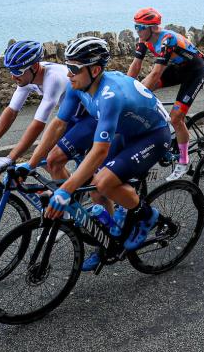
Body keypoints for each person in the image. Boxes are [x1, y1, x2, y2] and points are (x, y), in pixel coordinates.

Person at [18, 36, 172, 271]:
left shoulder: (110, 96)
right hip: (126, 132)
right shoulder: (77, 86)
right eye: (67, 66)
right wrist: (30, 163)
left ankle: (147, 215)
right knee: (96, 191)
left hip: (154, 135)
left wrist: (65, 190)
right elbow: (58, 125)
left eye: (74, 69)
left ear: (95, 70)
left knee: (103, 182)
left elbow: (100, 151)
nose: (68, 74)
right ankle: (109, 241)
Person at [126, 7, 204, 181]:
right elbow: (135, 66)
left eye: (140, 27)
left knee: (177, 117)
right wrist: (125, 89)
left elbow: (155, 74)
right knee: (143, 91)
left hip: (195, 71)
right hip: (178, 69)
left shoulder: (167, 39)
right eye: (136, 26)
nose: (137, 31)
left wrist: (136, 94)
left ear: (153, 27)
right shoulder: (144, 39)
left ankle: (184, 162)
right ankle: (157, 127)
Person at [0, 40, 72, 175]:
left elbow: (39, 124)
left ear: (34, 67)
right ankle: (73, 188)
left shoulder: (53, 79)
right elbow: (11, 110)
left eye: (17, 71)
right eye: (11, 70)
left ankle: (68, 192)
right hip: (68, 115)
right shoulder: (26, 77)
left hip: (88, 117)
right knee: (43, 157)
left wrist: (11, 158)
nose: (13, 76)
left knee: (50, 159)